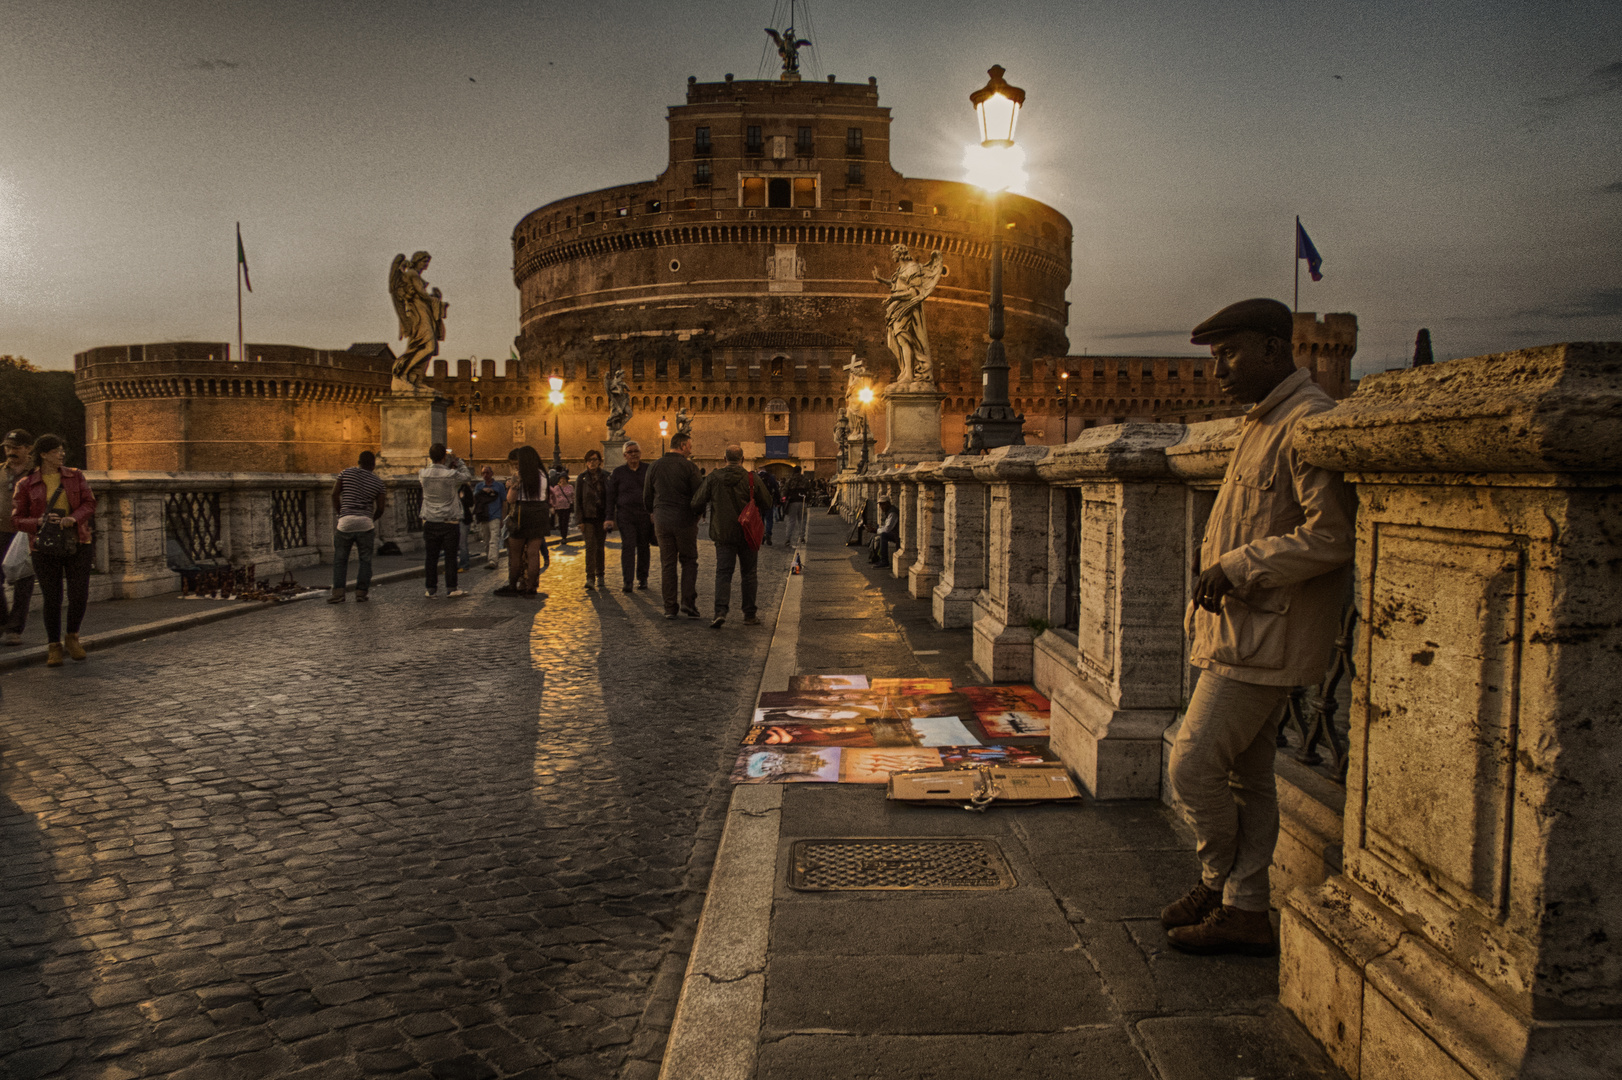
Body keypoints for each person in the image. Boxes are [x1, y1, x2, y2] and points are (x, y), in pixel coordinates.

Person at [1161, 298, 1355, 957]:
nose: (1217, 370)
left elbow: (1331, 536)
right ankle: (1245, 906)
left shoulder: (1308, 423)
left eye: (1230, 354)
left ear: (1276, 349)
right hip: (1240, 632)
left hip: (1267, 637)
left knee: (1191, 765)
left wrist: (1241, 565)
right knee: (1249, 776)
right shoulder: (1260, 424)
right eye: (1214, 358)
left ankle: (1221, 883)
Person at [11, 435, 96, 667]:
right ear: (44, 454)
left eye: (62, 450)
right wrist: (39, 522)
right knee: (52, 597)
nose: (62, 454)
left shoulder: (75, 476)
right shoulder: (26, 484)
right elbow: (17, 519)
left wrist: (72, 518)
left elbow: (89, 503)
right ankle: (53, 645)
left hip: (77, 541)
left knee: (79, 593)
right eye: (57, 451)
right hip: (45, 545)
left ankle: (72, 637)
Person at [691, 444, 771, 629]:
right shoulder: (751, 478)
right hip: (747, 533)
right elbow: (767, 502)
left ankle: (720, 612)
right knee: (749, 573)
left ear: (724, 459)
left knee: (723, 573)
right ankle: (749, 614)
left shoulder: (713, 477)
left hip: (723, 534)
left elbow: (696, 502)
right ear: (742, 460)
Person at [644, 432, 703, 619]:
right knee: (688, 560)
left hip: (662, 520)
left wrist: (653, 513)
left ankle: (670, 607)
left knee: (667, 564)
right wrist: (697, 515)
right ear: (683, 445)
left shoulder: (654, 466)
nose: (691, 449)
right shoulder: (689, 467)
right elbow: (699, 496)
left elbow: (647, 495)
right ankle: (688, 602)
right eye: (690, 446)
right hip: (684, 520)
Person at [329, 450, 386, 603]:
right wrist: (371, 518)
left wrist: (341, 513)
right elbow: (381, 508)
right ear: (373, 465)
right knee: (365, 560)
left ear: (358, 461)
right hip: (365, 523)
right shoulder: (378, 482)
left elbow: (334, 494)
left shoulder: (346, 473)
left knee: (340, 560)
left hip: (345, 523)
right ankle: (361, 592)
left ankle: (338, 593)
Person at [418, 443, 473, 597]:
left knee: (431, 557)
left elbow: (433, 468)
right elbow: (467, 476)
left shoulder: (422, 474)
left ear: (430, 457)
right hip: (449, 520)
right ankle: (451, 587)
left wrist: (444, 462)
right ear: (444, 456)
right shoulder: (451, 475)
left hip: (430, 519)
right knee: (450, 556)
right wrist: (459, 462)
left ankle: (431, 588)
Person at [496, 445, 550, 597]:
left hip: (522, 514)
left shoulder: (520, 476)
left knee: (515, 554)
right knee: (534, 554)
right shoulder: (543, 475)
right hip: (540, 513)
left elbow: (510, 499)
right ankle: (531, 588)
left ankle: (513, 586)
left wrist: (512, 485)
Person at [1, 429, 36, 645]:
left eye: (15, 448)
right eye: (7, 447)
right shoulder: (0, 471)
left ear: (28, 449)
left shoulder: (38, 473)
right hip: (1, 530)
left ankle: (14, 629)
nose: (10, 451)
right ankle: (3, 620)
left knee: (23, 581)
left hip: (24, 533)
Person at [604, 441, 651, 594]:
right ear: (624, 455)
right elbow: (610, 496)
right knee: (628, 546)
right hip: (625, 515)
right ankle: (628, 581)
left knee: (644, 546)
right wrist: (609, 517)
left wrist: (654, 512)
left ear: (640, 453)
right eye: (630, 452)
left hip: (644, 514)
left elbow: (655, 492)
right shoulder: (618, 473)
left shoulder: (648, 470)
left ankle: (643, 578)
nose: (633, 454)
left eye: (636, 451)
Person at [575, 450, 608, 589]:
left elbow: (610, 497)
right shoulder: (581, 478)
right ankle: (590, 577)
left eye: (594, 459)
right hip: (587, 517)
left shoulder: (606, 477)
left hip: (601, 517)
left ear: (600, 461)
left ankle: (600, 574)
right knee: (590, 547)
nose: (592, 463)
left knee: (600, 546)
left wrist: (610, 517)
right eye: (589, 460)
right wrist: (579, 520)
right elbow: (577, 500)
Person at [471, 466, 506, 569]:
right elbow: (474, 500)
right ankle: (490, 558)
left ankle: (493, 560)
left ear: (492, 473)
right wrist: (483, 492)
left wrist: (502, 518)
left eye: (487, 473)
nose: (485, 475)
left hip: (495, 515)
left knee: (494, 539)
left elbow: (504, 502)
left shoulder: (499, 486)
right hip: (483, 516)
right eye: (483, 473)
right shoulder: (479, 486)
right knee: (486, 540)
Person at [782, 467, 809, 547]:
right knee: (802, 520)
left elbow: (785, 490)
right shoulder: (805, 479)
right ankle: (802, 537)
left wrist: (784, 498)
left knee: (791, 521)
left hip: (792, 502)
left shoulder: (790, 480)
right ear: (800, 471)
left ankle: (788, 539)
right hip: (803, 501)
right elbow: (810, 490)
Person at [871, 497, 900, 565]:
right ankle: (875, 557)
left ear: (888, 504)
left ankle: (884, 560)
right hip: (894, 532)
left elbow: (887, 529)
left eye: (883, 504)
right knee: (877, 535)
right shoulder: (889, 512)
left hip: (897, 534)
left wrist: (876, 530)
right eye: (880, 505)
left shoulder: (893, 513)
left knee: (883, 535)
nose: (881, 507)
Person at [549, 467, 575, 544]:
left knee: (565, 522)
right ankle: (562, 535)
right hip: (558, 507)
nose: (562, 480)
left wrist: (572, 504)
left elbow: (572, 496)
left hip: (567, 506)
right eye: (561, 479)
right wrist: (552, 506)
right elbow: (552, 497)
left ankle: (564, 537)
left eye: (564, 479)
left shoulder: (570, 487)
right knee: (561, 522)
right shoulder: (556, 487)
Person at [759, 470, 781, 546]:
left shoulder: (757, 478)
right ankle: (768, 534)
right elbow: (776, 490)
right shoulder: (771, 478)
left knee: (760, 520)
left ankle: (761, 535)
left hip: (759, 503)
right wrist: (778, 501)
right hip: (769, 502)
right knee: (769, 519)